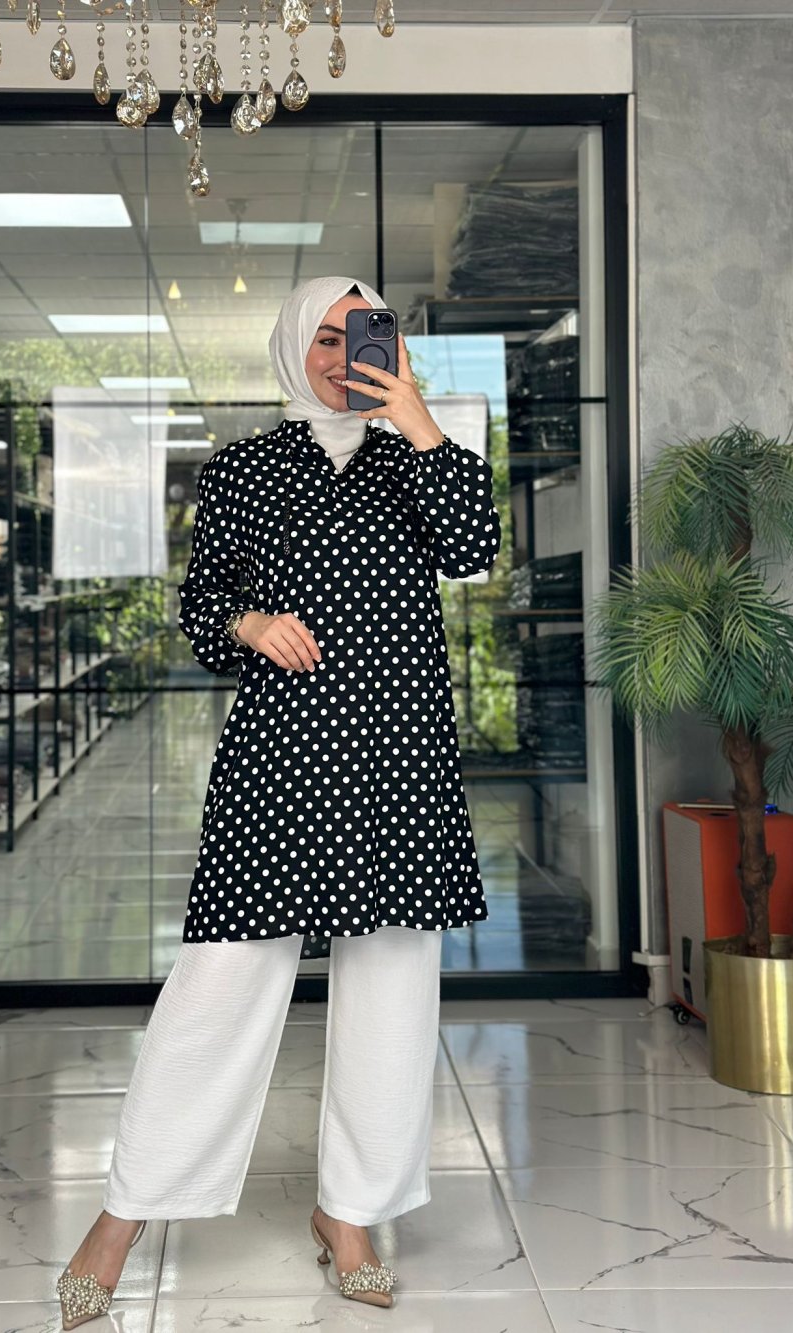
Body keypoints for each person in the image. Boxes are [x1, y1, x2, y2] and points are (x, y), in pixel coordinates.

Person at [55, 275, 501, 1328]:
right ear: (294, 347)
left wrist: (417, 419)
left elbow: (474, 550)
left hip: (397, 756)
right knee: (220, 980)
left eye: (366, 333)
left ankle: (350, 1214)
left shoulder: (422, 455)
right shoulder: (244, 468)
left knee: (392, 986)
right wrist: (250, 625)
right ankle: (124, 1212)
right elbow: (202, 601)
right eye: (326, 337)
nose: (345, 354)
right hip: (282, 754)